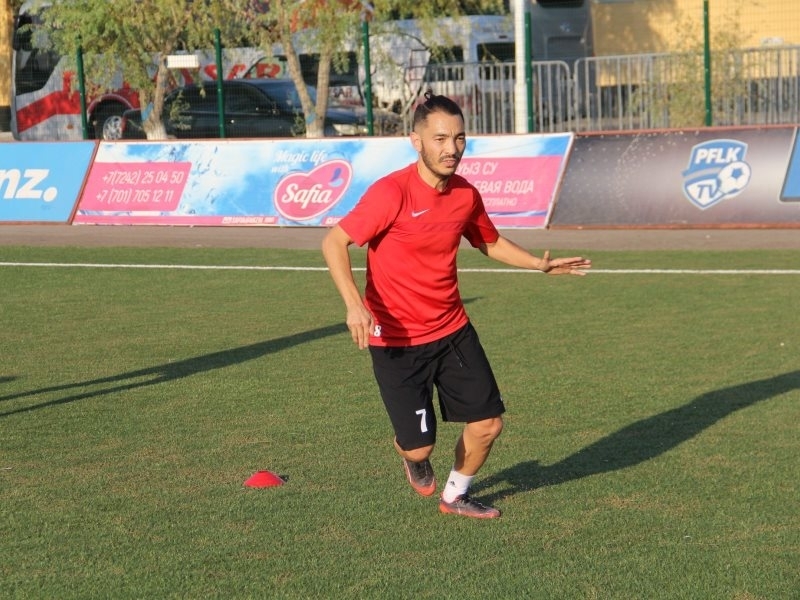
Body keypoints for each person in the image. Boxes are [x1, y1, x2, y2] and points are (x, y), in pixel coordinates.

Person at [321, 90, 591, 519]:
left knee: (488, 424)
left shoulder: (465, 194)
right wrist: (355, 306)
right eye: (441, 139)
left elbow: (489, 241)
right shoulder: (392, 193)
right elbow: (334, 242)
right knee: (419, 447)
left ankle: (456, 496)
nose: (452, 149)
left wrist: (538, 265)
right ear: (417, 141)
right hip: (397, 341)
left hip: (452, 330)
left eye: (459, 138)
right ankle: (412, 455)